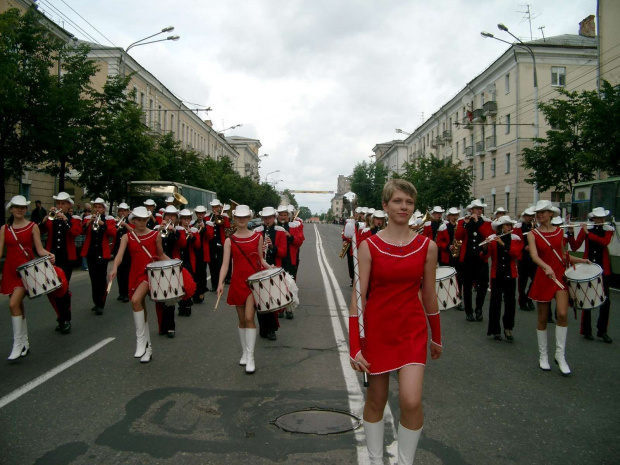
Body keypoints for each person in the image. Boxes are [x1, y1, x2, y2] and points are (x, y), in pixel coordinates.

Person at [350, 179, 441, 465]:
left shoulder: (428, 247)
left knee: (411, 401)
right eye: (398, 201)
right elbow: (358, 298)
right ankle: (375, 460)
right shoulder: (369, 246)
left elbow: (429, 295)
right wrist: (355, 345)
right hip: (377, 331)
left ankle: (404, 462)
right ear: (385, 206)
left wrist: (436, 336)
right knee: (376, 400)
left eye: (409, 202)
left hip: (412, 331)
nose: (404, 207)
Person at [527, 200, 589, 376]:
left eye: (543, 212)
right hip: (544, 277)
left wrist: (581, 260)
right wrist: (545, 267)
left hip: (559, 276)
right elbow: (534, 255)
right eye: (537, 212)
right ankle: (543, 356)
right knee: (543, 318)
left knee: (562, 314)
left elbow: (563, 255)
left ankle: (560, 356)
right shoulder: (533, 233)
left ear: (551, 214)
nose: (540, 215)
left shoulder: (559, 232)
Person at [108, 206, 169, 363]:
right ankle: (148, 349)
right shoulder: (127, 237)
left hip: (148, 274)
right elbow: (119, 255)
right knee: (141, 310)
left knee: (135, 301)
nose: (141, 222)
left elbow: (160, 254)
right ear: (133, 220)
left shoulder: (155, 235)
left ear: (148, 219)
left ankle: (140, 341)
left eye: (144, 219)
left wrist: (176, 265)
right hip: (133, 275)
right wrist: (114, 268)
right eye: (138, 219)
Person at [1, 196, 56, 360]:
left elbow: (39, 249)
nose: (19, 210)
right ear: (11, 209)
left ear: (26, 209)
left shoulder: (33, 227)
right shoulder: (5, 228)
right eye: (16, 207)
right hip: (9, 270)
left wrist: (50, 255)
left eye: (23, 207)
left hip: (25, 271)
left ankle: (17, 344)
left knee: (13, 304)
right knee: (18, 306)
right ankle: (24, 343)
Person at [216, 205, 270, 374]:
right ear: (235, 218)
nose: (241, 219)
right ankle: (245, 352)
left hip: (253, 283)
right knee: (241, 321)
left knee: (249, 317)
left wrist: (271, 267)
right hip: (237, 283)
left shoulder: (257, 237)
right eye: (238, 217)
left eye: (244, 217)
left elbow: (261, 260)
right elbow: (225, 264)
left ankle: (251, 356)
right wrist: (220, 283)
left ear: (249, 218)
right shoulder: (229, 240)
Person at [567, 206, 614, 343]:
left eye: (602, 218)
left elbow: (604, 242)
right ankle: (586, 330)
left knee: (606, 300)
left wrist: (588, 233)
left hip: (603, 268)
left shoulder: (608, 230)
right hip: (588, 266)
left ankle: (602, 330)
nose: (600, 220)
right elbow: (575, 246)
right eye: (597, 218)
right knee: (586, 298)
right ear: (593, 218)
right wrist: (570, 233)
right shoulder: (586, 229)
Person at [40, 192, 81, 334]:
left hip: (66, 258)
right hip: (51, 258)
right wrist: (45, 219)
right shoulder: (51, 220)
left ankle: (65, 319)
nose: (60, 206)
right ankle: (60, 316)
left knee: (63, 289)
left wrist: (65, 220)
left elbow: (76, 232)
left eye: (63, 203)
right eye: (58, 203)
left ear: (68, 205)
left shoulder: (73, 219)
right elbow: (40, 230)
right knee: (52, 289)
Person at [481, 216, 522, 342]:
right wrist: (485, 247)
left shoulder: (515, 239)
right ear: (500, 227)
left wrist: (503, 243)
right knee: (495, 302)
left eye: (510, 225)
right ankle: (495, 330)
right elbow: (485, 256)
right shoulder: (493, 239)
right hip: (497, 274)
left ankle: (508, 328)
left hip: (510, 274)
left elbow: (516, 254)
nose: (510, 227)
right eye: (507, 225)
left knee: (510, 302)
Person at [455, 199, 494, 322]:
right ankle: (469, 311)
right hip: (467, 258)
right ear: (471, 210)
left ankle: (479, 309)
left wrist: (478, 223)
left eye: (480, 208)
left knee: (483, 285)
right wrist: (466, 224)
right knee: (467, 286)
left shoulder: (486, 222)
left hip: (481, 258)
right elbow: (458, 237)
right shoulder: (463, 221)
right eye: (477, 208)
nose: (479, 210)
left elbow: (489, 235)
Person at [253, 207, 286, 340]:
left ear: (274, 218)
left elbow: (283, 253)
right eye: (265, 218)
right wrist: (259, 250)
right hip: (259, 268)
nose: (267, 220)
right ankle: (263, 328)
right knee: (260, 300)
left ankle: (272, 329)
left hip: (274, 268)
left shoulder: (280, 231)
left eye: (270, 218)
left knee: (271, 300)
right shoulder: (257, 232)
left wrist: (272, 247)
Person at [81, 198, 116, 315]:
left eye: (99, 207)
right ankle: (96, 302)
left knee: (101, 279)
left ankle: (101, 303)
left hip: (103, 252)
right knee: (93, 278)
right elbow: (81, 231)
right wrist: (89, 222)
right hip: (91, 252)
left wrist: (103, 224)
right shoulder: (88, 219)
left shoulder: (108, 220)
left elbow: (113, 232)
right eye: (95, 207)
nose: (97, 209)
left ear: (103, 209)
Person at [155, 206, 182, 337]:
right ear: (163, 217)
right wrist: (159, 231)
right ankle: (162, 326)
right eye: (168, 216)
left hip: (172, 266)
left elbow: (182, 244)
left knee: (170, 297)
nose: (170, 218)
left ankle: (171, 326)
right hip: (158, 265)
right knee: (159, 298)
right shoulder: (157, 229)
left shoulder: (179, 231)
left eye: (173, 216)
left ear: (177, 219)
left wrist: (174, 231)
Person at [177, 209, 201, 317]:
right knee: (179, 283)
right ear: (181, 219)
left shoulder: (194, 230)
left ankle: (187, 305)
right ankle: (181, 305)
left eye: (188, 219)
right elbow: (180, 244)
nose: (186, 221)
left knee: (188, 283)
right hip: (178, 258)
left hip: (189, 260)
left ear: (191, 219)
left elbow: (198, 245)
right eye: (184, 219)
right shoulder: (178, 230)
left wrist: (192, 236)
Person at [514, 208, 537, 311]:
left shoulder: (536, 227)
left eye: (532, 216)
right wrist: (524, 247)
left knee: (535, 280)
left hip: (534, 258)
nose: (530, 218)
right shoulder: (519, 227)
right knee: (522, 282)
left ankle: (529, 298)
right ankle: (522, 301)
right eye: (528, 216)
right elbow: (515, 240)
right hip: (523, 258)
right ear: (524, 217)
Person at [191, 205, 214, 303]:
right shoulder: (193, 224)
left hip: (203, 252)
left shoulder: (208, 224)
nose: (200, 215)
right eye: (198, 214)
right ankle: (194, 293)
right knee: (194, 273)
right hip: (193, 251)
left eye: (202, 213)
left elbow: (210, 236)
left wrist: (204, 228)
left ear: (204, 214)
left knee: (202, 273)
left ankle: (201, 292)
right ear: (196, 214)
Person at [208, 199, 231, 292]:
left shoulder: (223, 216)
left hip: (220, 243)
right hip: (211, 244)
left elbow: (228, 225)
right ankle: (214, 284)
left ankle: (220, 283)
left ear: (219, 207)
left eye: (216, 207)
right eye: (213, 207)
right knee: (212, 265)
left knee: (220, 264)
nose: (214, 209)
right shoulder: (209, 217)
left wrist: (220, 216)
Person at [113, 203, 133, 303]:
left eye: (124, 211)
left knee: (126, 272)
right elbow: (111, 233)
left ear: (128, 212)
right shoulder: (115, 221)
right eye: (120, 211)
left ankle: (126, 293)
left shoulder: (131, 221)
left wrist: (125, 225)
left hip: (128, 250)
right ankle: (121, 292)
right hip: (118, 249)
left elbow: (134, 231)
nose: (122, 213)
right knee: (119, 272)